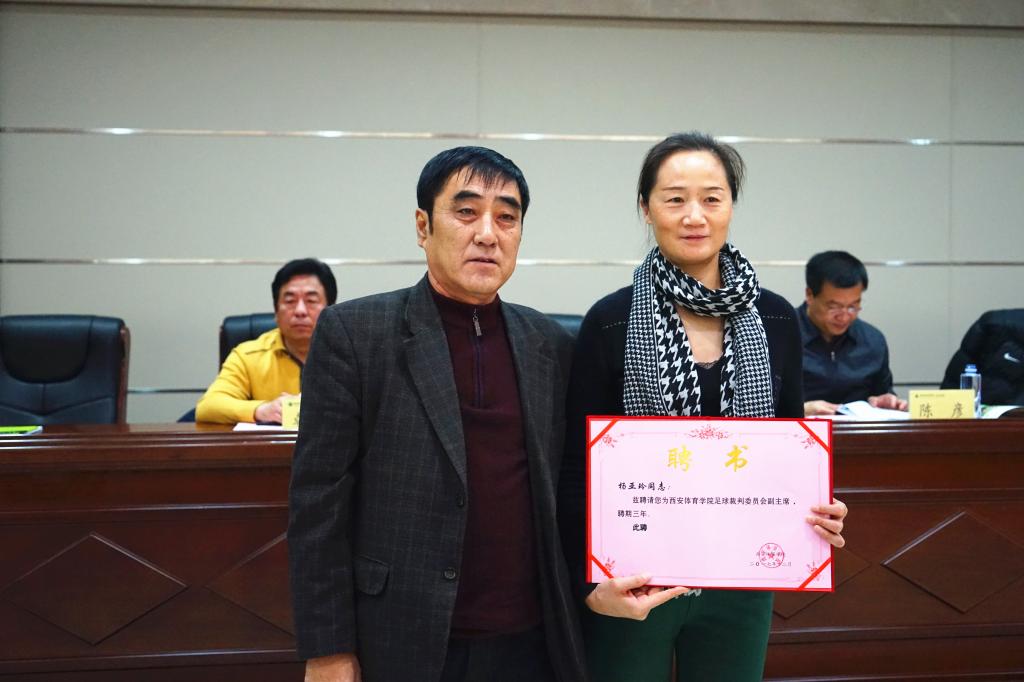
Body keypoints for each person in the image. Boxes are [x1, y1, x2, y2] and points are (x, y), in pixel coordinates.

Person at [288, 147, 587, 682]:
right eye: (466, 212)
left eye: (507, 217)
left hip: (532, 640)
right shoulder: (355, 334)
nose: (488, 234)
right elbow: (318, 504)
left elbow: (568, 487)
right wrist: (327, 648)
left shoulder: (550, 343)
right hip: (403, 635)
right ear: (423, 226)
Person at [561, 132, 848, 681]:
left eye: (712, 198)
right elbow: (577, 468)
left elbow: (790, 447)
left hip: (743, 577)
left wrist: (817, 506)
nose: (694, 215)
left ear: (731, 207)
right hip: (635, 580)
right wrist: (588, 583)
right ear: (646, 209)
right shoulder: (610, 321)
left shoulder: (776, 319)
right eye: (675, 199)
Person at [195, 258, 337, 424]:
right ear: (276, 311)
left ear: (331, 310)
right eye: (290, 301)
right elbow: (208, 406)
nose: (300, 311)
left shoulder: (352, 353)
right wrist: (262, 410)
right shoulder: (248, 355)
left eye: (311, 301)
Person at [798, 250, 907, 416]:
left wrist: (886, 400)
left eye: (853, 306)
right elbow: (762, 407)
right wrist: (800, 410)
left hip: (858, 431)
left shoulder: (872, 340)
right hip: (797, 430)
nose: (844, 316)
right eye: (833, 307)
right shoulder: (777, 338)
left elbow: (881, 392)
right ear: (810, 295)